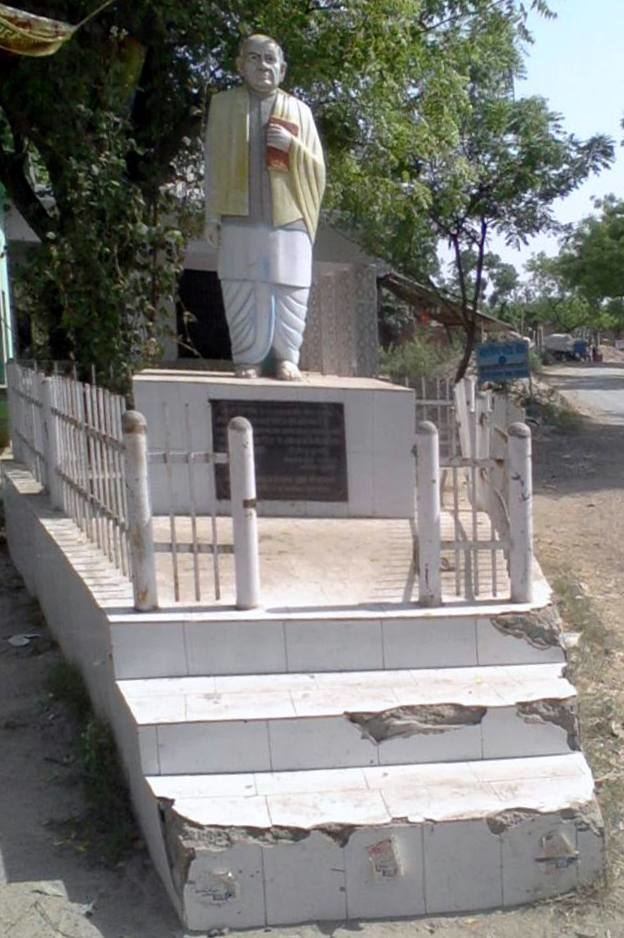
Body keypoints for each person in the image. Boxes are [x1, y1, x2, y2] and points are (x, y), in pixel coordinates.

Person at [203, 34, 326, 380]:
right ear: (240, 65)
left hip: (289, 216)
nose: (263, 66)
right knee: (242, 285)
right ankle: (247, 358)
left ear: (282, 69)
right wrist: (212, 215)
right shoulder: (224, 105)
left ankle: (287, 356)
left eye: (270, 60)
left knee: (290, 287)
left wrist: (292, 145)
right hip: (237, 213)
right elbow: (213, 162)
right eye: (254, 59)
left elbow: (318, 167)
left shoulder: (299, 110)